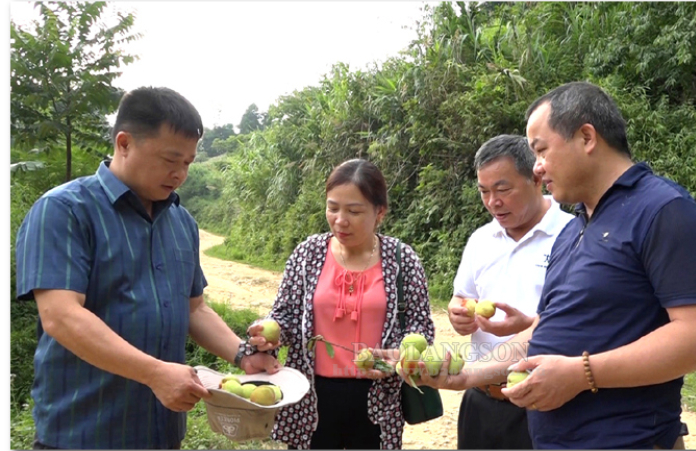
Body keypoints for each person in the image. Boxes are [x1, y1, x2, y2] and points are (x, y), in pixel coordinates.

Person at [404, 81, 696, 449]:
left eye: (541, 151)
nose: (538, 169)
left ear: (587, 137)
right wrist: (470, 374)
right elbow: (544, 333)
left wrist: (581, 374)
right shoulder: (575, 230)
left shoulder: (663, 212)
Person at [15, 86, 279, 449]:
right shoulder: (65, 211)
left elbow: (195, 309)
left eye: (187, 162)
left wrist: (243, 354)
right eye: (170, 160)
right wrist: (155, 374)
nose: (180, 173)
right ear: (124, 143)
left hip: (162, 434)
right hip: (84, 434)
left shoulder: (181, 222)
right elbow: (61, 317)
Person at [243, 159, 435, 450]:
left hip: (378, 398)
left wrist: (399, 355)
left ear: (379, 212)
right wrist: (270, 332)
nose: (340, 220)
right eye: (333, 208)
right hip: (312, 396)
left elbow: (422, 327)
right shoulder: (309, 253)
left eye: (354, 211)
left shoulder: (402, 260)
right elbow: (285, 316)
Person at [448, 134, 573, 449]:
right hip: (481, 399)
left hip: (543, 404)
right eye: (484, 191)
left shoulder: (572, 235)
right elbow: (461, 295)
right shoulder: (480, 239)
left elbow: (573, 320)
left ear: (536, 179)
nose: (493, 201)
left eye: (503, 189)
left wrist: (530, 323)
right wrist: (459, 312)